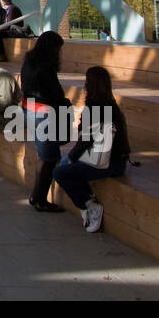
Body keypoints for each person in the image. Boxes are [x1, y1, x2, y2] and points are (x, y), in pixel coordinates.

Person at [53, 65, 132, 233]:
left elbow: (86, 139)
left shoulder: (95, 106)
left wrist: (71, 158)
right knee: (69, 167)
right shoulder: (111, 104)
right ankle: (88, 205)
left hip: (108, 163)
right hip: (116, 160)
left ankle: (89, 205)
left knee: (61, 172)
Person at [21, 30, 70, 212]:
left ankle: (36, 195)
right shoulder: (45, 67)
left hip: (30, 109)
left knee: (45, 156)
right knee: (50, 157)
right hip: (43, 113)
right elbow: (55, 93)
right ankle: (40, 199)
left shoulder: (29, 61)